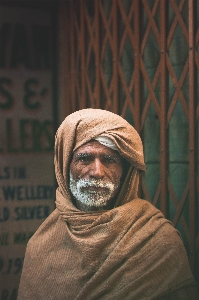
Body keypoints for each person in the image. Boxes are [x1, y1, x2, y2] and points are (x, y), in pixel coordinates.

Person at [18, 109, 199, 300]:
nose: (97, 171)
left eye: (109, 160)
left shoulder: (157, 240)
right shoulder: (41, 245)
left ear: (125, 170)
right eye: (84, 158)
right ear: (64, 164)